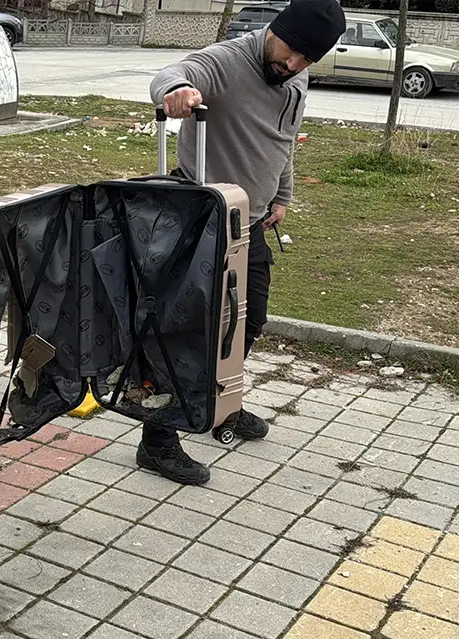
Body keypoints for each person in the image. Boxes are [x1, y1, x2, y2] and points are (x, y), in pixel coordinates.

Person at [137, 0, 346, 486]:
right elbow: (178, 70)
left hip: (249, 221)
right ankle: (158, 438)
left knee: (249, 321)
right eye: (291, 52)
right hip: (201, 214)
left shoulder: (295, 76)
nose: (293, 66)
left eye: (306, 60)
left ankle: (218, 401)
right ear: (276, 30)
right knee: (188, 331)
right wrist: (178, 89)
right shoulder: (230, 60)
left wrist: (283, 194)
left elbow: (283, 138)